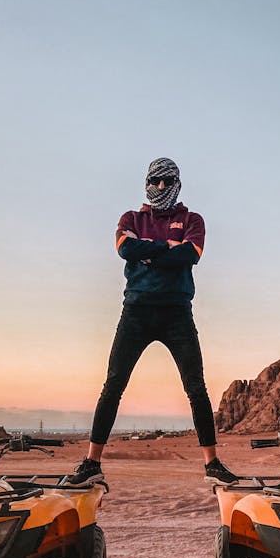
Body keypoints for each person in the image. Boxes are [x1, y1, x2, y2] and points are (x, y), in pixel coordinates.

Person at [65, 157, 238, 486]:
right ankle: (91, 463)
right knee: (113, 385)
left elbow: (190, 255)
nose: (161, 187)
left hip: (177, 313)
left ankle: (212, 464)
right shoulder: (130, 217)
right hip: (136, 312)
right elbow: (124, 249)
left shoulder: (192, 218)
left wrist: (149, 251)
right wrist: (167, 247)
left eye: (167, 181)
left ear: (177, 183)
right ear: (147, 182)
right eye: (155, 181)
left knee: (196, 388)